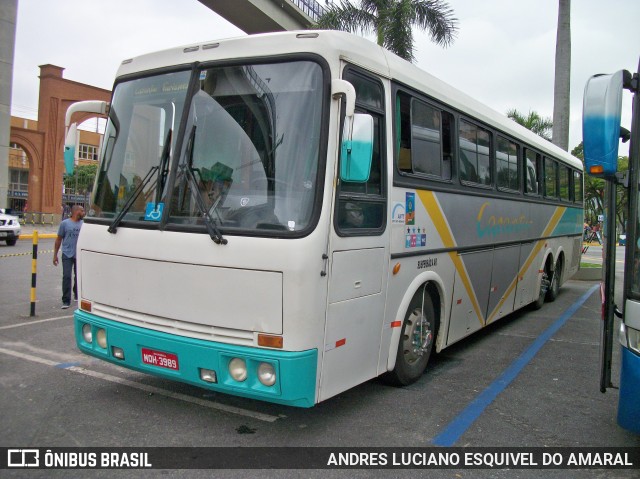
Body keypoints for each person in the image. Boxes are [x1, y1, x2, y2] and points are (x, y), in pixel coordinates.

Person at [53, 205, 85, 309]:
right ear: (76, 212)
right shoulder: (65, 224)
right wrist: (55, 255)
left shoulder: (83, 224)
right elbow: (58, 239)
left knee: (78, 276)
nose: (84, 213)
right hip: (67, 253)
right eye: (82, 211)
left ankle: (77, 294)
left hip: (78, 254)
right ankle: (66, 300)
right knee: (66, 276)